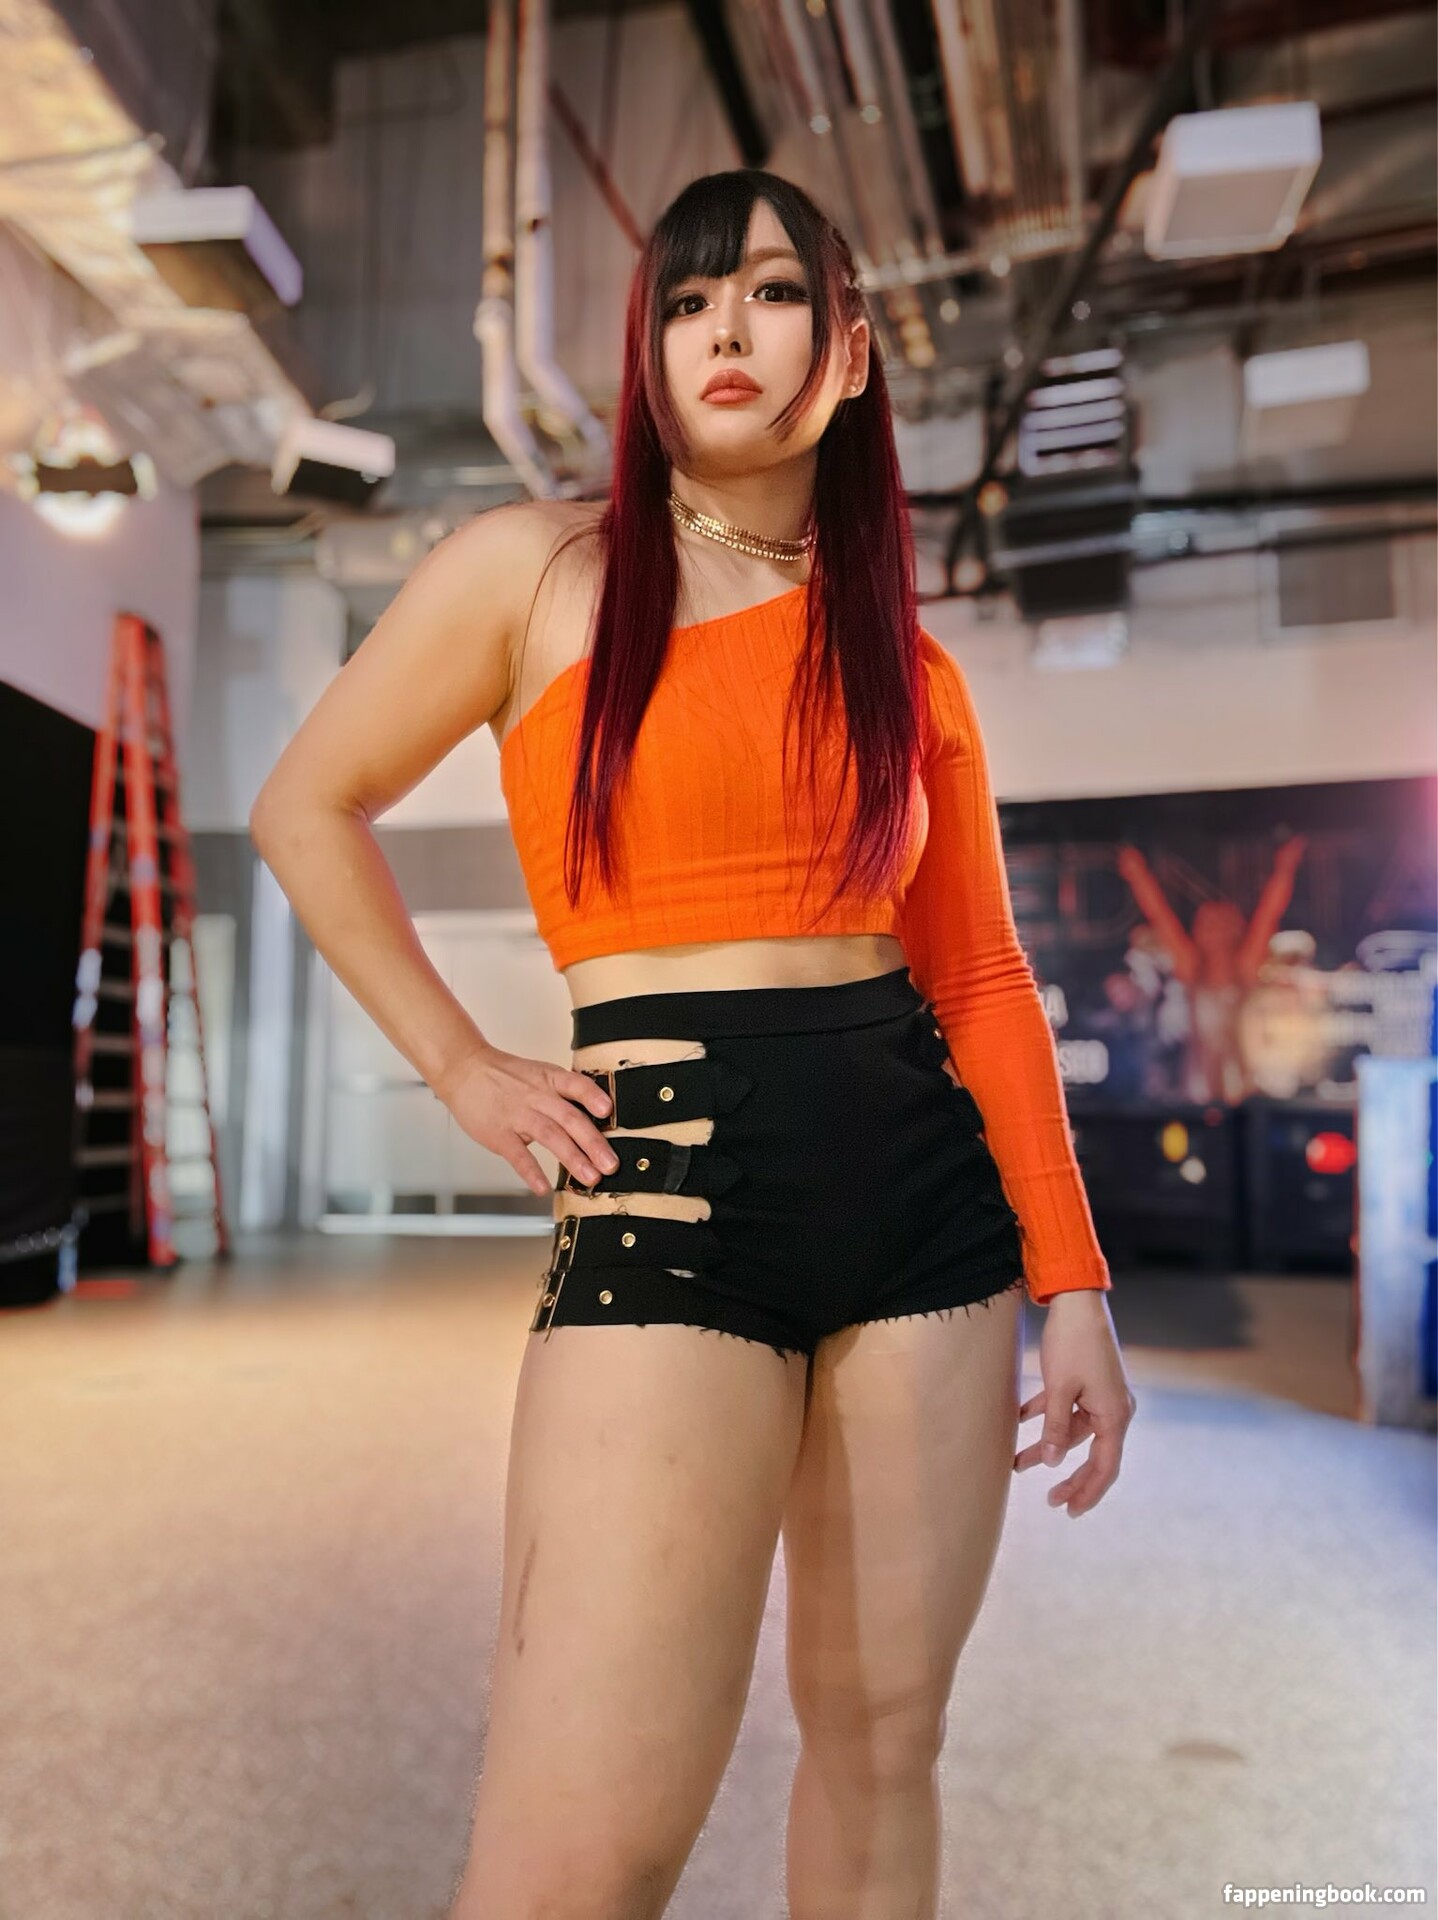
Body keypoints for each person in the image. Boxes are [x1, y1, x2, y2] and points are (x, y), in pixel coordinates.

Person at [251, 168, 1136, 1920]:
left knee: (882, 1746)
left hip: (925, 1216)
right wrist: (461, 1065)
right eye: (685, 298)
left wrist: (1074, 1281)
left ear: (853, 350)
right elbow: (304, 805)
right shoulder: (536, 574)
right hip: (662, 1189)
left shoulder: (910, 669)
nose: (726, 326)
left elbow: (979, 977)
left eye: (775, 291)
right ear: (647, 350)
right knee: (580, 1854)